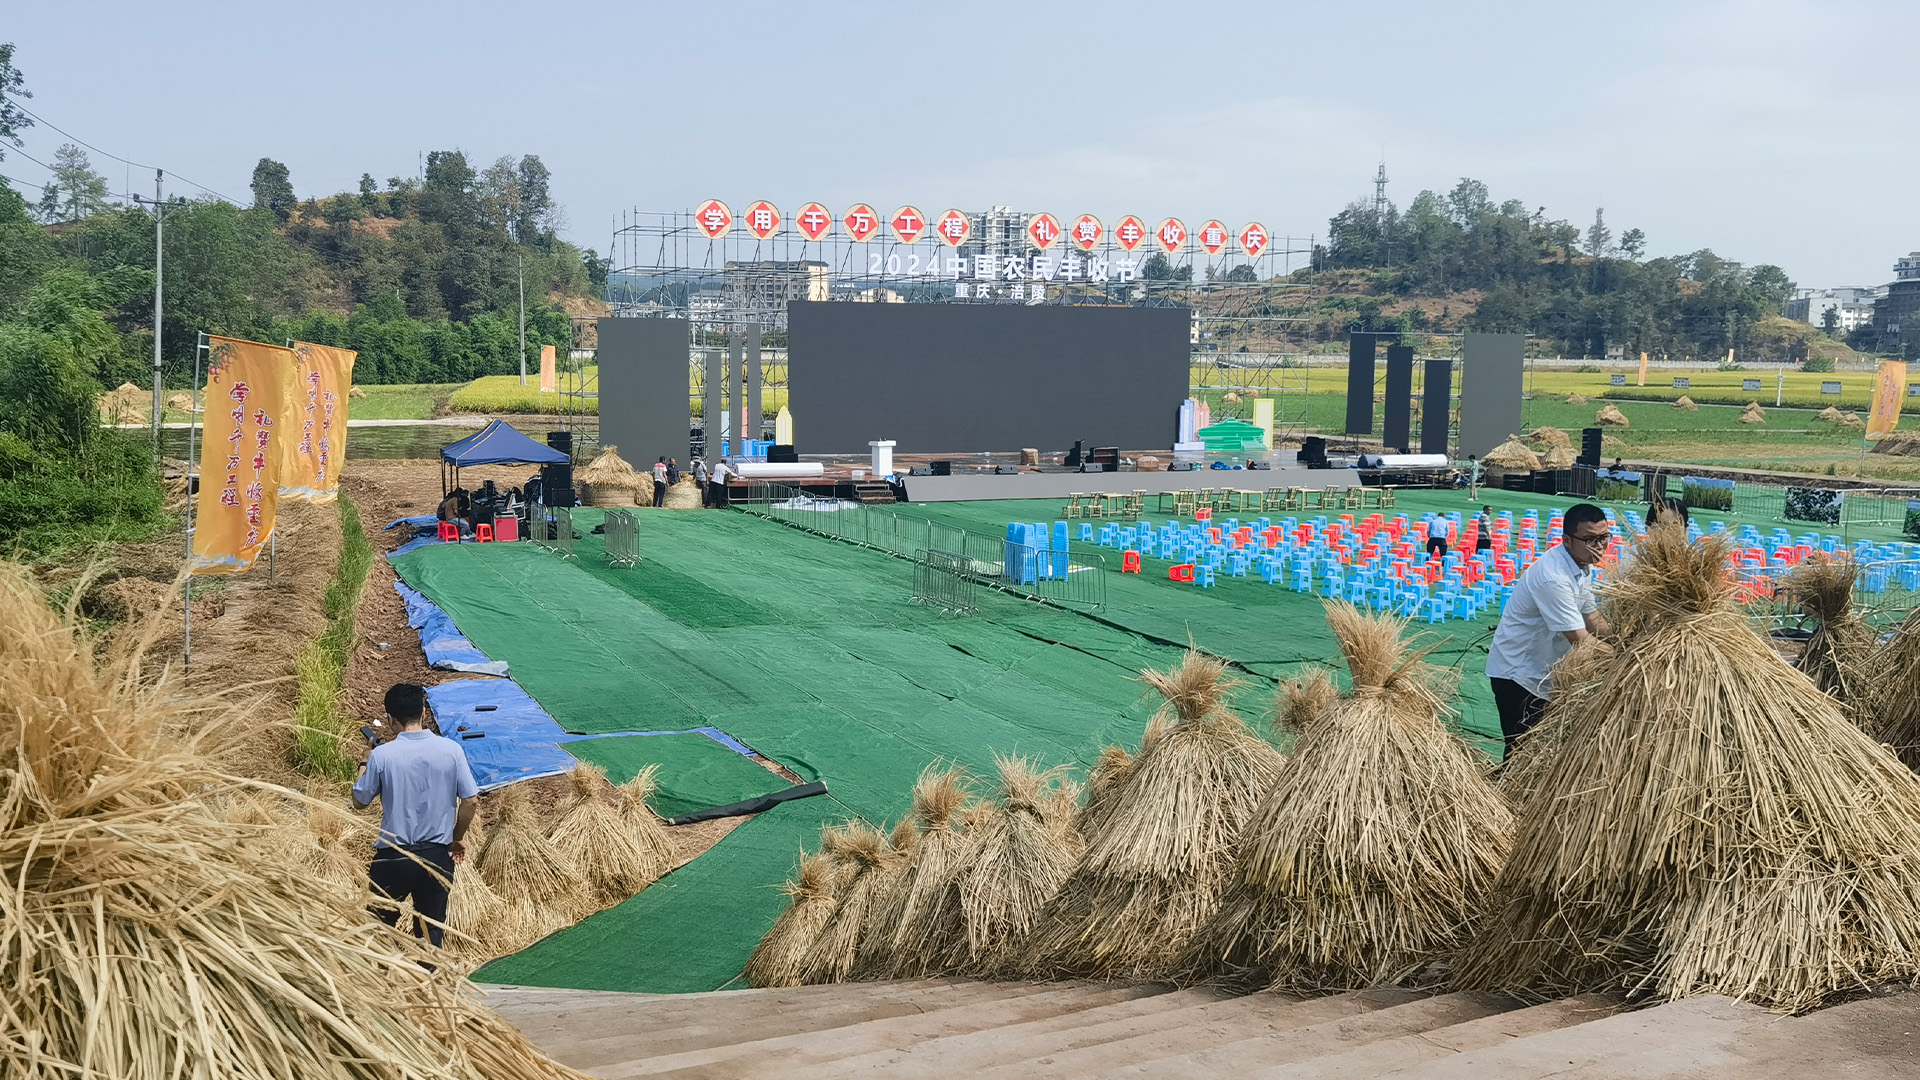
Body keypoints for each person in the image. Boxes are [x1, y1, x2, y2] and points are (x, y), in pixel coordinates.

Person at [351, 684, 479, 949]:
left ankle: (386, 985)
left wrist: (365, 762)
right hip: (436, 856)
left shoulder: (382, 756)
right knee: (431, 934)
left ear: (390, 719)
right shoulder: (451, 750)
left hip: (394, 857)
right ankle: (429, 984)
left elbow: (359, 801)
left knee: (378, 931)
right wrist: (456, 838)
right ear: (423, 713)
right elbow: (470, 800)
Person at [1485, 502, 1613, 759]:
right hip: (1519, 676)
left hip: (1545, 675)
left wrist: (1627, 639)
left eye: (1603, 538)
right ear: (1567, 540)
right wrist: (1625, 660)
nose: (1599, 546)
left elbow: (1592, 619)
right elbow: (1581, 639)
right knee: (1521, 756)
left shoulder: (1582, 568)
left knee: (1544, 754)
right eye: (1590, 539)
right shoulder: (1553, 578)